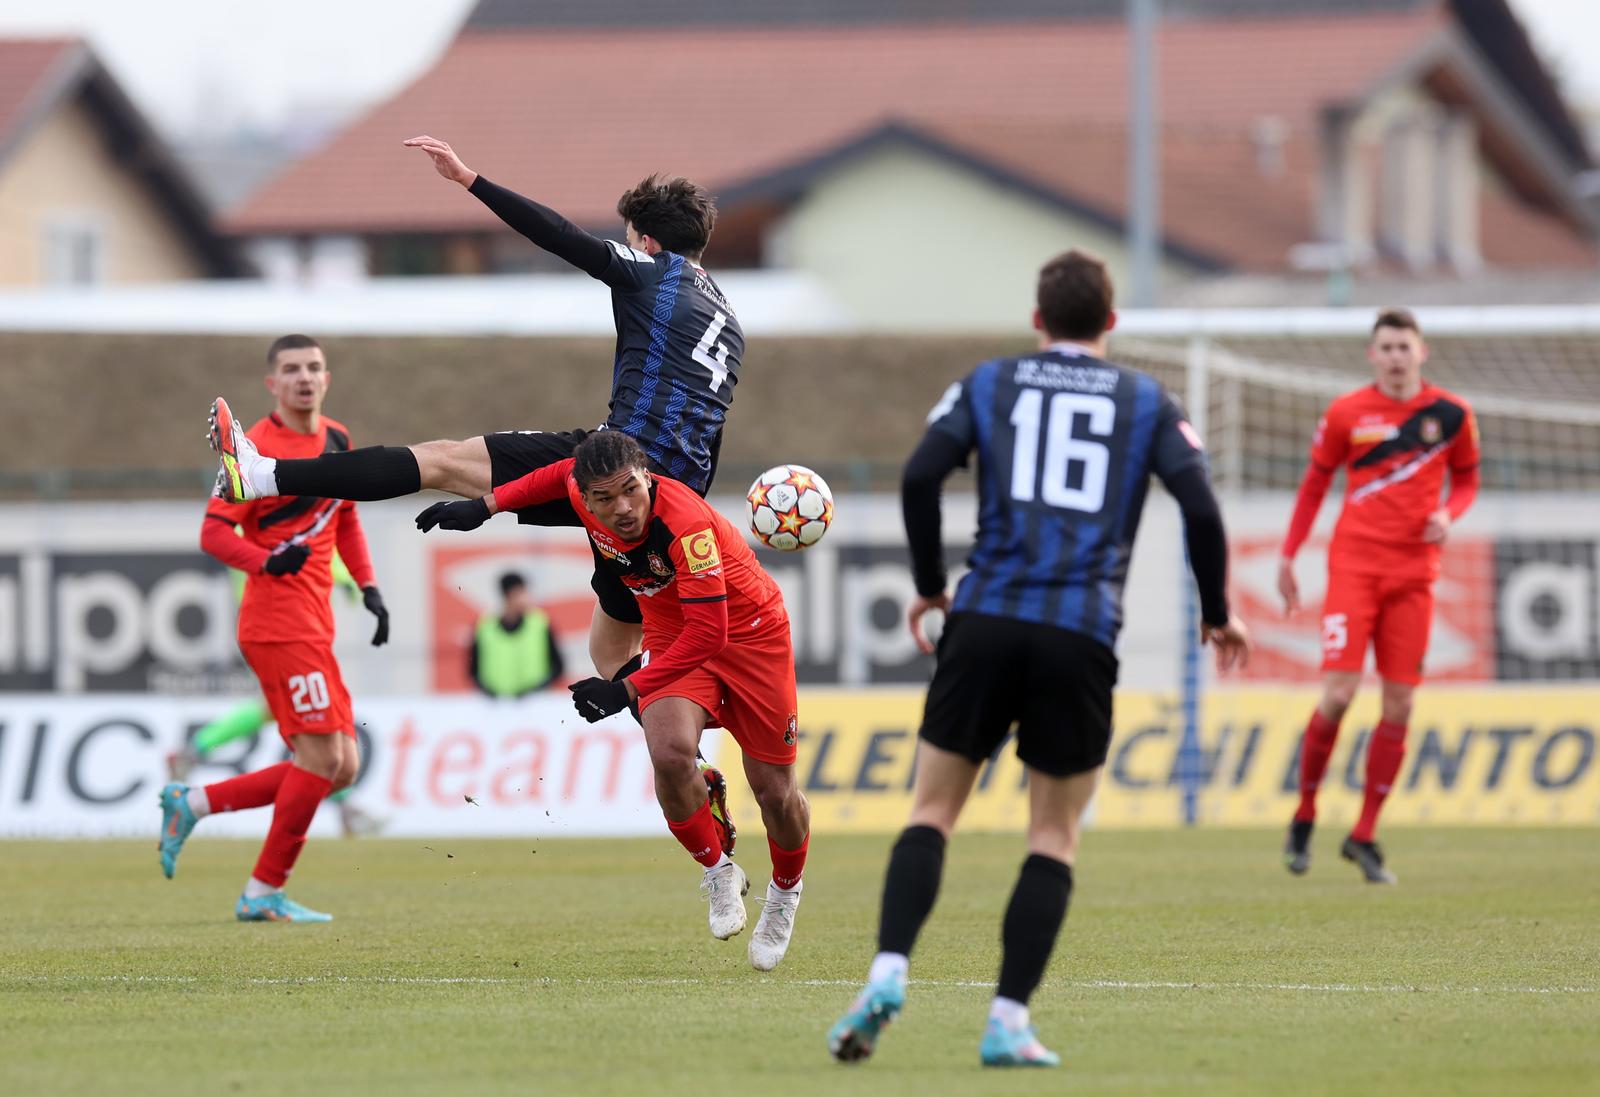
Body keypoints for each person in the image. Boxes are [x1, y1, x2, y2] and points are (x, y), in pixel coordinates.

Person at [826, 250, 1251, 1067]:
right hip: (1078, 631)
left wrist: (928, 586)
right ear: (1112, 323)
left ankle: (886, 971)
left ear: (1037, 320)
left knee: (931, 813)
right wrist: (1218, 609)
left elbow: (920, 476)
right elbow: (1199, 503)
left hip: (982, 617)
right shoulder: (1147, 399)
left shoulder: (992, 381)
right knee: (1052, 835)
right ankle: (1007, 1020)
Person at [207, 135, 742, 692]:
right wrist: (682, 507)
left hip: (618, 467)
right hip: (674, 499)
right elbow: (711, 427)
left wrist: (470, 181)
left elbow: (562, 236)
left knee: (441, 461)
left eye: (630, 238)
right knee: (614, 652)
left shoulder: (655, 270)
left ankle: (264, 476)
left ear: (647, 241)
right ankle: (694, 767)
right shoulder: (729, 320)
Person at [416, 431, 810, 971]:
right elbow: (555, 475)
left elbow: (712, 633)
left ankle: (785, 895)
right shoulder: (584, 489)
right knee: (669, 752)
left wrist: (625, 688)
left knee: (774, 792)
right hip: (674, 630)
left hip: (748, 635)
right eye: (604, 498)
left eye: (631, 490)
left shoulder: (685, 524)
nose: (622, 509)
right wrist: (486, 506)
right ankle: (719, 871)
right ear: (587, 494)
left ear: (647, 475)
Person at [160, 334, 391, 923]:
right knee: (320, 760)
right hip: (276, 621)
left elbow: (347, 519)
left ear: (327, 377)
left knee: (342, 765)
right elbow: (213, 532)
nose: (303, 378)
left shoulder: (338, 438)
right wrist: (265, 562)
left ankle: (195, 802)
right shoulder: (253, 448)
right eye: (291, 370)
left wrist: (368, 586)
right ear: (273, 385)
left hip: (315, 622)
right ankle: (262, 890)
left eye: (313, 367)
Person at [1278, 308, 1479, 884]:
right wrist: (1290, 555)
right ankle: (1305, 812)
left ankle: (1364, 834)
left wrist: (1449, 512)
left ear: (1422, 351)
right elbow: (1315, 483)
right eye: (1385, 347)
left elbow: (1466, 479)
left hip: (1415, 574)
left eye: (1403, 346)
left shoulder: (1452, 414)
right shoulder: (1347, 412)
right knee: (1339, 693)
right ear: (1372, 355)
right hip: (1355, 569)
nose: (1395, 356)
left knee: (1401, 706)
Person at [168, 552, 386, 838]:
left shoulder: (254, 515)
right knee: (311, 717)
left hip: (287, 624)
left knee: (282, 711)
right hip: (282, 627)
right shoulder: (264, 516)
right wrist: (346, 578)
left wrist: (344, 578)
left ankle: (191, 754)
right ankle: (346, 808)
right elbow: (310, 544)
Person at [470, 571, 565, 697]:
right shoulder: (485, 627)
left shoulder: (540, 624)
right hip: (495, 706)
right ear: (508, 595)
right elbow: (473, 668)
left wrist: (538, 690)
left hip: (534, 703)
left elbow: (558, 666)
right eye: (520, 593)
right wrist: (489, 693)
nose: (526, 598)